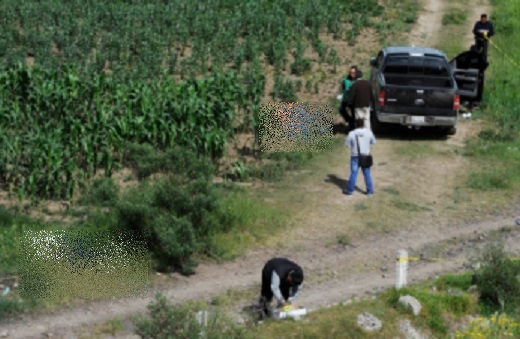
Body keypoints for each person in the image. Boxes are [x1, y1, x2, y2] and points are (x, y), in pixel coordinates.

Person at [344, 119, 376, 196]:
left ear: (356, 125)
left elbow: (347, 144)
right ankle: (370, 191)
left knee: (354, 173)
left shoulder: (351, 133)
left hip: (355, 156)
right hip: (365, 156)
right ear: (363, 124)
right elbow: (373, 142)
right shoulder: (369, 132)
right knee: (367, 173)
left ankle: (350, 191)